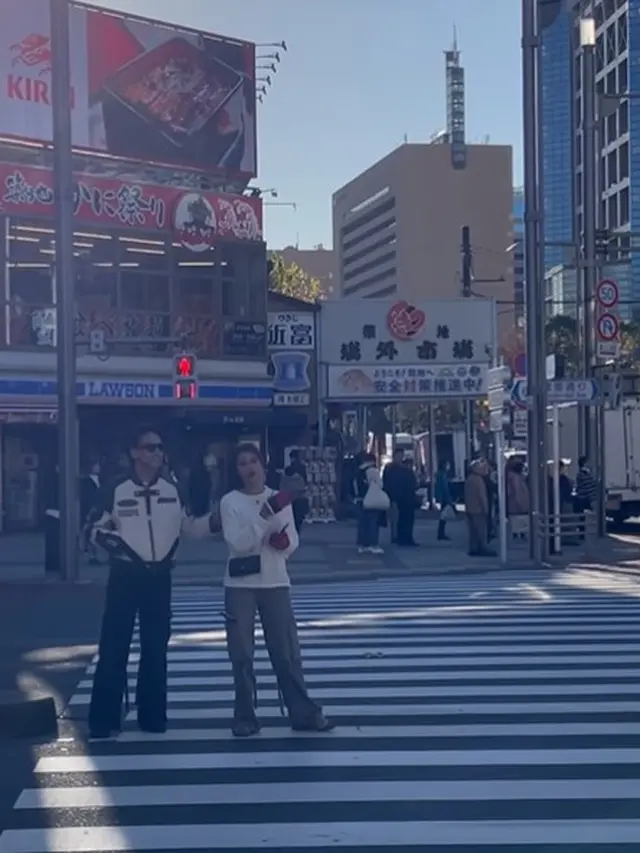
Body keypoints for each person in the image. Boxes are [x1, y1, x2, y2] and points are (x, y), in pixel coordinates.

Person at [87, 425, 219, 740]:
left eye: (160, 448)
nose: (157, 453)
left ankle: (153, 716)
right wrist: (113, 545)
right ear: (134, 453)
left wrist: (217, 521)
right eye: (150, 448)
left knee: (155, 648)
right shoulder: (115, 489)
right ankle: (103, 721)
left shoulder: (173, 489)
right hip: (124, 574)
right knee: (113, 647)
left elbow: (189, 527)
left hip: (160, 577)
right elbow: (93, 529)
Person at [220, 443, 334, 738]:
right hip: (240, 585)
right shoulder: (230, 501)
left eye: (252, 461)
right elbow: (239, 543)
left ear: (263, 465)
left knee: (286, 652)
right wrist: (264, 516)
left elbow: (292, 538)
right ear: (236, 471)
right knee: (242, 653)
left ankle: (303, 712)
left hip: (276, 580)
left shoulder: (278, 498)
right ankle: (244, 716)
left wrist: (285, 544)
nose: (249, 468)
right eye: (242, 463)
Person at [464, 459, 496, 557]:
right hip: (479, 509)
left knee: (473, 531)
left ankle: (473, 548)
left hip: (470, 508)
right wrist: (486, 509)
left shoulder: (470, 479)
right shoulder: (478, 480)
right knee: (481, 530)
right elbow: (482, 496)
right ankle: (483, 547)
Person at [355, 453, 385, 554]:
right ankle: (373, 544)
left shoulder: (358, 471)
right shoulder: (372, 470)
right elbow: (380, 484)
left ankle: (362, 544)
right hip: (371, 498)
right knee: (373, 521)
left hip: (359, 499)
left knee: (362, 523)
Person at [283, 449, 309, 533]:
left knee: (292, 516)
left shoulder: (289, 468)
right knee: (299, 518)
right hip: (300, 496)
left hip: (290, 497)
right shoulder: (302, 467)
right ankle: (297, 532)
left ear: (292, 458)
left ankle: (293, 532)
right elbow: (306, 481)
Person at [382, 449, 404, 543]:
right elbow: (386, 481)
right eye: (399, 456)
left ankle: (398, 534)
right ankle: (394, 536)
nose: (400, 458)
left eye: (401, 456)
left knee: (399, 517)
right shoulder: (390, 467)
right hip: (393, 495)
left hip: (401, 495)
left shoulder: (402, 467)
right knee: (394, 517)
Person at [506, 460, 530, 540]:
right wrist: (522, 504)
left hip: (513, 505)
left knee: (515, 520)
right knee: (520, 520)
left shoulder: (511, 477)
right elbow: (518, 491)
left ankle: (517, 534)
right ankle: (520, 534)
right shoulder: (516, 478)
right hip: (517, 504)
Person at [434, 459, 454, 541]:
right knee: (443, 516)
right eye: (448, 464)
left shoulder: (439, 474)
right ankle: (441, 534)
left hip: (441, 497)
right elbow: (445, 488)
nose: (449, 466)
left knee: (443, 516)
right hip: (444, 498)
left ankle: (441, 533)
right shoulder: (442, 475)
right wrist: (449, 500)